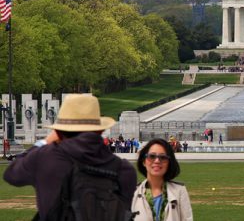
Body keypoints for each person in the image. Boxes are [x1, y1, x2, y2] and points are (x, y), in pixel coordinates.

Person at [3, 94, 137, 220]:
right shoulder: (125, 170)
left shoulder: (45, 158)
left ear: (59, 132)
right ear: (100, 130)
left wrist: (44, 142)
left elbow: (12, 174)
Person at [131, 139, 193, 221]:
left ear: (169, 163)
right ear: (144, 162)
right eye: (152, 156)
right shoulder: (132, 193)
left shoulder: (179, 191)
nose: (157, 161)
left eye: (163, 157)